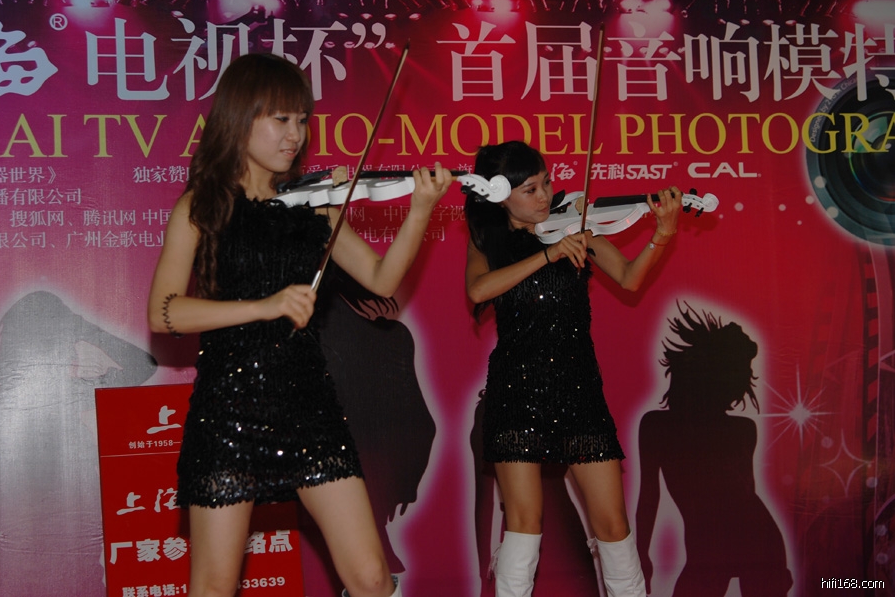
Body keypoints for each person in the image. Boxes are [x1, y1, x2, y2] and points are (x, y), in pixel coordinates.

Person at [147, 52, 453, 597]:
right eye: (281, 119)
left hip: (309, 406)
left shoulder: (315, 203)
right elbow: (164, 311)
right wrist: (264, 305)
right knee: (214, 584)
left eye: (303, 120)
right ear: (241, 118)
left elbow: (381, 279)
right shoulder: (202, 206)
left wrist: (421, 209)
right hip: (229, 409)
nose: (296, 134)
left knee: (371, 578)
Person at [463, 140, 681, 597]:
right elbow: (479, 290)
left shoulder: (576, 225)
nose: (545, 196)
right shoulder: (488, 242)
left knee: (613, 524)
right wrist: (548, 254)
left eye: (546, 183)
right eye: (530, 189)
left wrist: (661, 233)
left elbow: (629, 278)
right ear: (499, 196)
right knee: (524, 522)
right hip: (516, 393)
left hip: (578, 389)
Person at [636, 305, 792, 596]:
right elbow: (649, 497)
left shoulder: (742, 429)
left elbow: (745, 492)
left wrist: (642, 554)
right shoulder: (657, 426)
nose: (747, 378)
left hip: (755, 543)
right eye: (742, 371)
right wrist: (641, 555)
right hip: (710, 550)